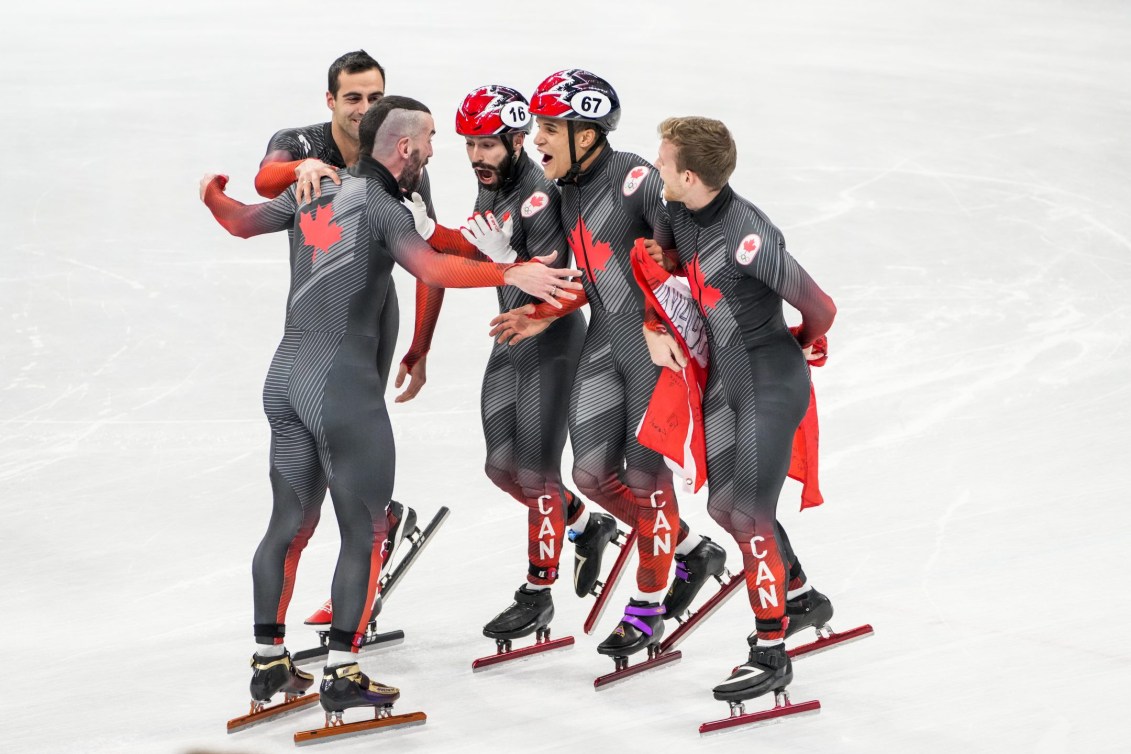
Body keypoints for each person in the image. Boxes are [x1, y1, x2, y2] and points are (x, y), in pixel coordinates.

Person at [199, 95, 582, 717]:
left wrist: (210, 189)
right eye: (430, 140)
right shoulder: (382, 206)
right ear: (403, 148)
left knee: (288, 524)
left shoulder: (316, 191)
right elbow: (432, 266)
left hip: (284, 380)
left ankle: (269, 664)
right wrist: (516, 276)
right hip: (343, 389)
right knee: (366, 529)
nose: (434, 151)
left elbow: (239, 220)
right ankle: (344, 670)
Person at [488, 70, 724, 662]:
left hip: (654, 351)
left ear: (588, 134)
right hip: (604, 343)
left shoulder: (639, 179)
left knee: (646, 481)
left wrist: (678, 317)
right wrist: (542, 315)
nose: (536, 140)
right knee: (592, 477)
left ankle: (646, 610)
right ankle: (689, 549)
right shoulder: (564, 189)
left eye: (548, 128)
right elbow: (584, 278)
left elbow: (689, 251)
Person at [395, 85, 616, 644]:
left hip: (552, 339)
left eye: (488, 146)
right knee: (501, 468)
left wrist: (508, 262)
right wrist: (429, 234)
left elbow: (560, 279)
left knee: (537, 474)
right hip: (509, 339)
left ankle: (537, 596)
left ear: (517, 140)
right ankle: (586, 525)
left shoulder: (541, 196)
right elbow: (469, 249)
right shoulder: (489, 181)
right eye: (469, 145)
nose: (477, 158)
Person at [646, 116, 836, 704]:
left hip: (770, 378)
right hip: (726, 378)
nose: (656, 168)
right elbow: (677, 258)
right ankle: (800, 596)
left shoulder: (748, 235)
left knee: (749, 510)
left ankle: (770, 651)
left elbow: (821, 305)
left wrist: (803, 340)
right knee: (727, 506)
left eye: (664, 162)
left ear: (691, 175)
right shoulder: (680, 208)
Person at [253, 50, 436, 633]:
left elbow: (427, 258)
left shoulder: (399, 155)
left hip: (374, 311)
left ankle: (373, 525)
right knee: (328, 424)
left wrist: (421, 345)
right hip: (319, 309)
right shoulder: (302, 141)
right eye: (352, 97)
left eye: (374, 97)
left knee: (357, 422)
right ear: (330, 101)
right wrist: (300, 169)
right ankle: (372, 529)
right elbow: (262, 180)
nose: (364, 109)